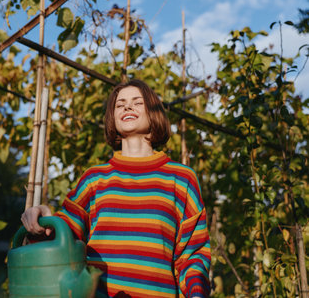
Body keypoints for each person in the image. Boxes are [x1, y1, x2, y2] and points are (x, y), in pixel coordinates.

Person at [21, 79, 211, 297]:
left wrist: (197, 293)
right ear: (113, 118)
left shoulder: (181, 179)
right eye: (119, 105)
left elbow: (193, 254)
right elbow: (63, 239)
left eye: (137, 102)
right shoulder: (94, 179)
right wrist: (42, 220)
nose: (127, 107)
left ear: (154, 112)